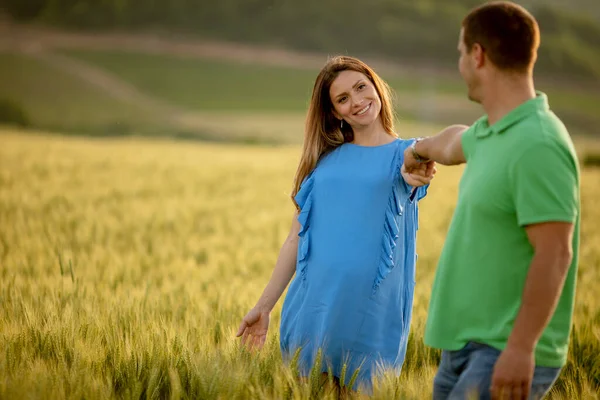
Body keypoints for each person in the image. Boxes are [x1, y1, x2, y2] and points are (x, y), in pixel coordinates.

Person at [402, 2, 581, 399]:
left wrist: (520, 348)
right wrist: (417, 150)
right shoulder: (491, 132)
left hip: (504, 349)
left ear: (478, 55)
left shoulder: (539, 143)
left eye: (461, 53)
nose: (461, 63)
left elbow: (555, 255)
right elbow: (452, 141)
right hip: (464, 347)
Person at [236, 55, 435, 393]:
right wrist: (264, 306)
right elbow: (295, 239)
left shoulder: (407, 154)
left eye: (361, 87)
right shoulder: (324, 167)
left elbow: (434, 150)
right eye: (343, 98)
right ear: (334, 112)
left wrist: (424, 160)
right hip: (312, 314)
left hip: (372, 321)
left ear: (376, 87)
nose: (357, 101)